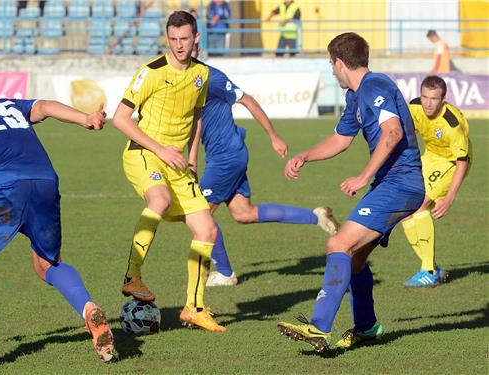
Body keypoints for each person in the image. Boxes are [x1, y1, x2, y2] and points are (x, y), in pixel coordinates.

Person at [0, 68, 116, 367]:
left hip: (5, 192)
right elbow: (44, 106)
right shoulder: (8, 105)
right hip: (45, 182)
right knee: (47, 264)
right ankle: (88, 308)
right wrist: (85, 118)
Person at [277, 32, 425, 352]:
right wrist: (305, 156)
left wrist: (362, 176)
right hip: (390, 184)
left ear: (341, 63)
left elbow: (393, 131)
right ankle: (367, 327)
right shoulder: (356, 96)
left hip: (400, 183)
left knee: (338, 243)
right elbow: (342, 140)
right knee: (355, 258)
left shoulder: (375, 86)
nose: (332, 71)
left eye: (332, 64)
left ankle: (318, 327)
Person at [189, 45, 340, 287]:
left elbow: (247, 99)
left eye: (189, 44)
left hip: (227, 158)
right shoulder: (181, 80)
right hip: (227, 155)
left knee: (200, 214)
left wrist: (273, 135)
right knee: (243, 213)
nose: (184, 50)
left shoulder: (211, 77)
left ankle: (225, 273)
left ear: (196, 45)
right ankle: (315, 217)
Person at [113, 10, 225, 333]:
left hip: (178, 163)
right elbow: (120, 119)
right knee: (158, 200)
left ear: (196, 38)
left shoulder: (201, 74)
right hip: (144, 154)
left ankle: (194, 307)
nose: (178, 45)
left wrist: (192, 157)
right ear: (168, 38)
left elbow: (197, 116)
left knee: (207, 230)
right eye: (173, 39)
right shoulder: (150, 72)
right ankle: (132, 275)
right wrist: (160, 148)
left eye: (184, 39)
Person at [402, 76, 471, 287]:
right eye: (425, 97)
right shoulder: (414, 107)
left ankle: (429, 271)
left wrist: (449, 198)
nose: (428, 103)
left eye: (434, 98)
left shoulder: (452, 123)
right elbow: (409, 131)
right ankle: (432, 266)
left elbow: (463, 161)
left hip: (451, 163)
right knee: (405, 209)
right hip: (430, 157)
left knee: (421, 204)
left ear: (443, 99)